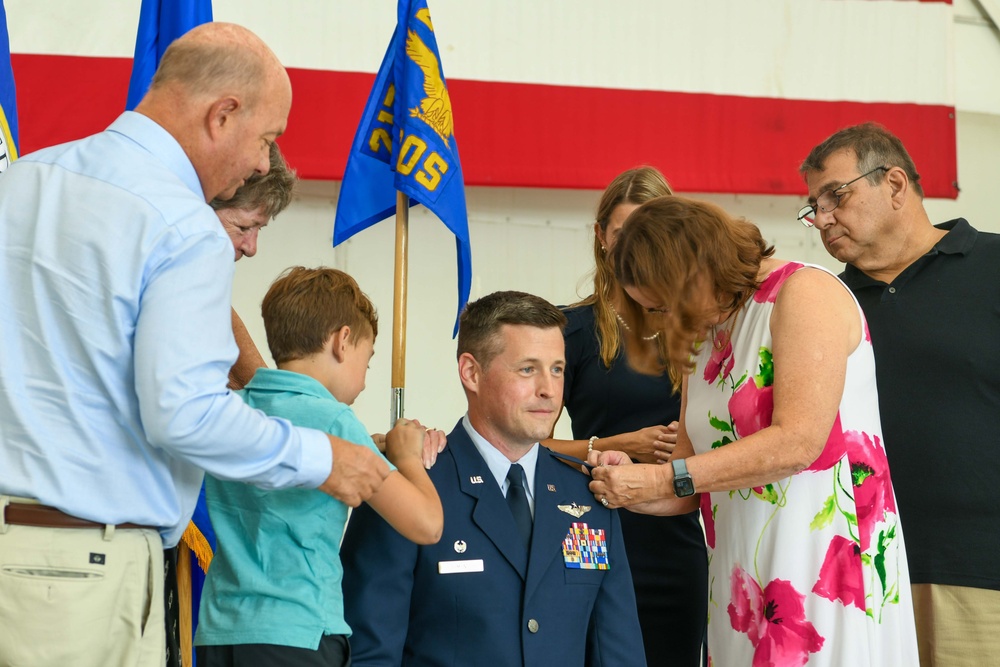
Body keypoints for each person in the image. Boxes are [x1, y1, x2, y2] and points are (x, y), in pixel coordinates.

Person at [0, 23, 389, 667]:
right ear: (222, 115)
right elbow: (184, 413)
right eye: (267, 139)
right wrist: (322, 457)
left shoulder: (22, 181)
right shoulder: (184, 227)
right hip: (82, 574)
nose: (264, 163)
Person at [588, 196, 919, 665]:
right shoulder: (706, 333)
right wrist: (631, 483)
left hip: (824, 570)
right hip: (740, 582)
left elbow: (798, 442)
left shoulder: (804, 293)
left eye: (664, 304)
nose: (664, 320)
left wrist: (665, 477)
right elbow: (688, 484)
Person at [342, 291, 646, 667]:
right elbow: (369, 653)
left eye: (557, 369)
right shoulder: (405, 485)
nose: (548, 390)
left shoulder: (589, 495)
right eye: (527, 369)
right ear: (472, 372)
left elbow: (619, 654)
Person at [799, 122, 1000, 666]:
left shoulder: (993, 267)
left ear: (894, 184)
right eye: (812, 206)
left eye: (836, 196)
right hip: (858, 579)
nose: (821, 218)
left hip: (979, 577)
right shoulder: (822, 304)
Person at [194, 266, 443, 667]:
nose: (363, 382)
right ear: (343, 342)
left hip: (220, 633)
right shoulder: (336, 422)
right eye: (369, 360)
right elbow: (426, 524)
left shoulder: (234, 412)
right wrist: (408, 457)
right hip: (299, 634)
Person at [543, 166, 707, 666]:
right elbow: (526, 448)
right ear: (601, 238)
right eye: (623, 235)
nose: (638, 248)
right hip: (594, 531)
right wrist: (617, 445)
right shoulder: (567, 330)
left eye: (650, 232)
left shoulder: (705, 329)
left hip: (680, 539)